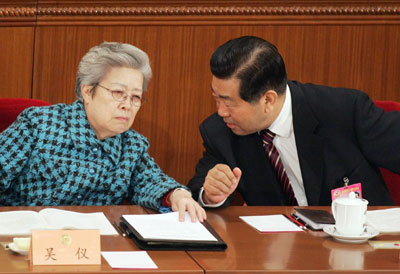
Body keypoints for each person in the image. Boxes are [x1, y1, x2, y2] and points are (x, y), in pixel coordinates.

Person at [0, 41, 205, 222]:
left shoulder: (131, 145)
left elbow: (151, 181)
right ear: (87, 91)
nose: (127, 105)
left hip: (96, 247)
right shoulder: (39, 124)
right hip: (23, 240)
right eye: (118, 93)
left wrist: (178, 195)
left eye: (135, 97)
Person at [187, 35, 400, 207]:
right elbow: (200, 188)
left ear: (268, 100)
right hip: (282, 252)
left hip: (364, 244)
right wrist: (210, 194)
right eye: (216, 98)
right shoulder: (220, 131)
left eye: (229, 102)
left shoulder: (344, 111)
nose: (221, 112)